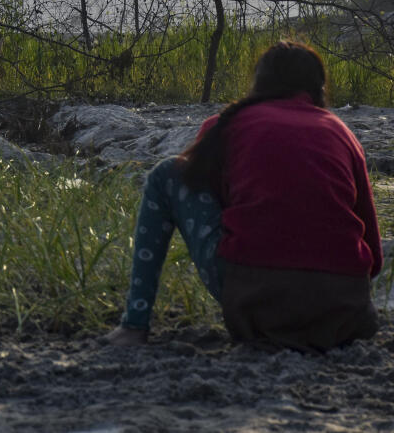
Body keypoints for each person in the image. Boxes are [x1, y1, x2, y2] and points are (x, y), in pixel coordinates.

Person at [105, 40, 382, 351]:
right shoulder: (342, 133)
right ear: (318, 88)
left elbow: (216, 199)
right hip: (345, 315)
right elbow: (373, 254)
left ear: (258, 83)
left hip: (258, 305)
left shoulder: (225, 125)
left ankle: (134, 325)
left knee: (166, 174)